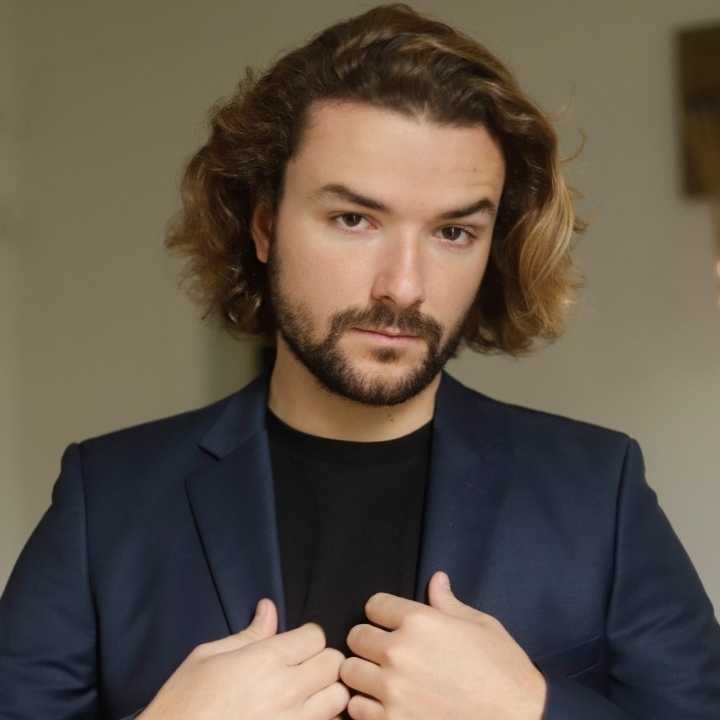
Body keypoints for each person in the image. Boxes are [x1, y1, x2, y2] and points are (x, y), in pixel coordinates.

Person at [1, 4, 719, 719]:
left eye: (453, 232)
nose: (403, 286)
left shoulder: (599, 490)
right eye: (354, 219)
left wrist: (529, 710)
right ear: (264, 225)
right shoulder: (107, 500)